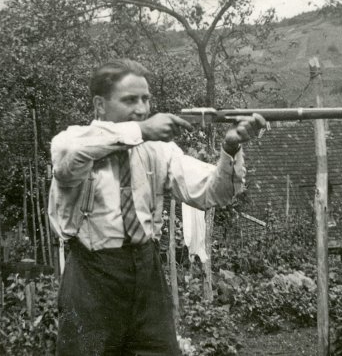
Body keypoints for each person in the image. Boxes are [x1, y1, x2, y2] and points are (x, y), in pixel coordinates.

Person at [49, 59, 266, 356]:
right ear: (99, 105)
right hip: (92, 276)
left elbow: (210, 193)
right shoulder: (72, 140)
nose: (141, 108)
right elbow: (69, 156)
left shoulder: (158, 149)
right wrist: (140, 130)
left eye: (146, 99)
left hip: (146, 271)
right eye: (130, 100)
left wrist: (230, 148)